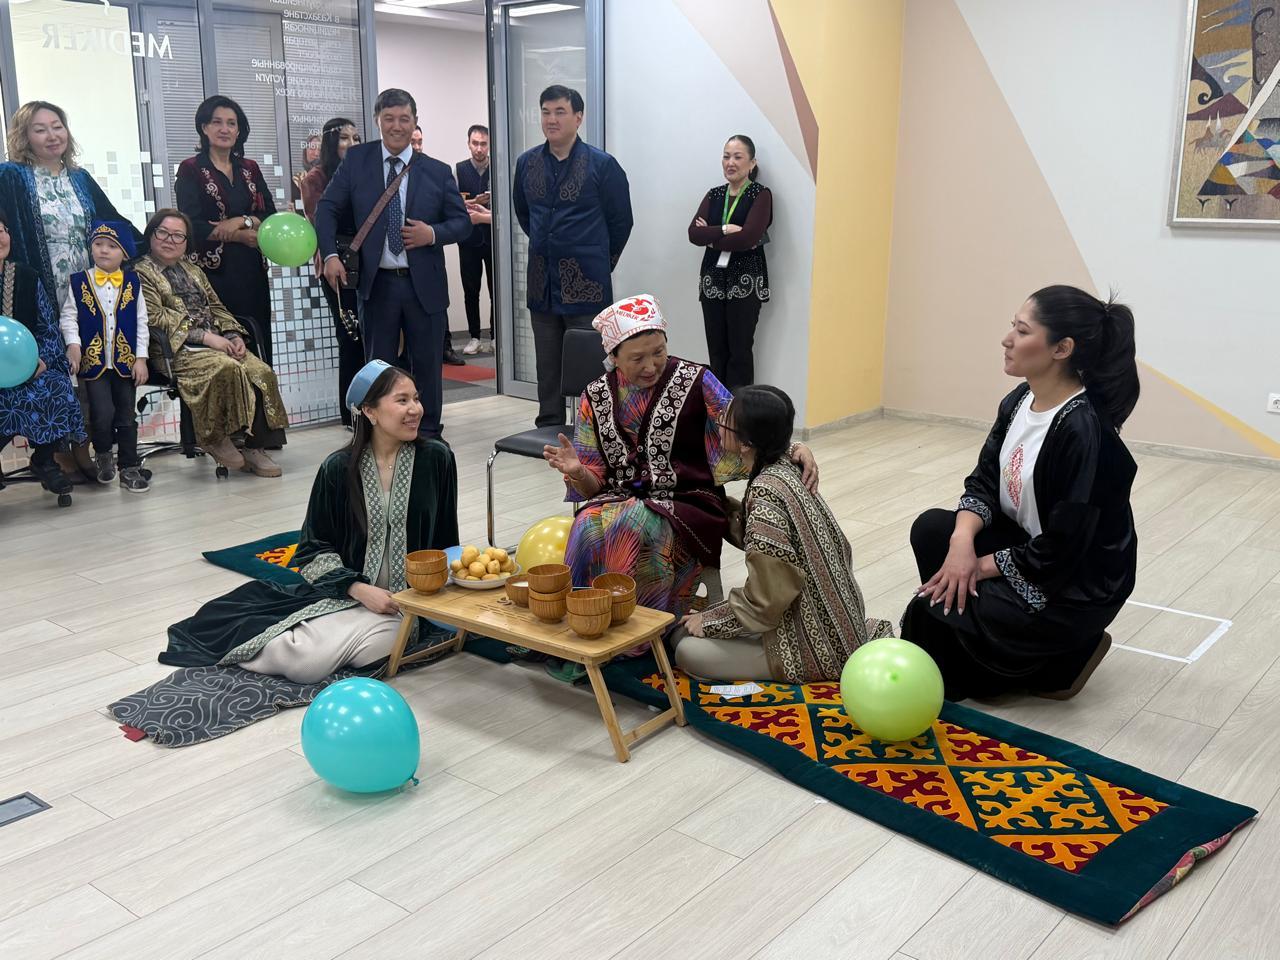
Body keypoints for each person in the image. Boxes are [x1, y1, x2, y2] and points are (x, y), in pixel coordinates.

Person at [901, 285, 1141, 702]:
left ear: (1062, 349)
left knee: (929, 616)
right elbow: (983, 482)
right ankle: (997, 643)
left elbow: (1063, 550)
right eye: (1012, 326)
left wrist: (977, 567)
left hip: (1072, 583)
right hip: (1031, 548)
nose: (1006, 339)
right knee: (933, 530)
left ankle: (1063, 656)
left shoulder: (1085, 432)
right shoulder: (1019, 400)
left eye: (1022, 331)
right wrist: (961, 546)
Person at [158, 361, 460, 682]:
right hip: (345, 595)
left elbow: (446, 540)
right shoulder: (338, 468)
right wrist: (358, 588)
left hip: (404, 606)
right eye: (402, 400)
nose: (415, 409)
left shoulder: (436, 459)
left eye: (416, 398)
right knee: (304, 660)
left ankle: (303, 644)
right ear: (370, 411)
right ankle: (291, 644)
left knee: (375, 648)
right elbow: (312, 549)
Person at [542, 294, 818, 622]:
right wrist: (577, 472)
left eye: (658, 352)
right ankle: (584, 620)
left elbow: (743, 426)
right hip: (620, 499)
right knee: (585, 525)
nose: (650, 366)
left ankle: (643, 630)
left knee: (633, 523)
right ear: (613, 356)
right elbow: (592, 487)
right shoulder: (596, 396)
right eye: (637, 358)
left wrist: (791, 448)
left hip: (689, 501)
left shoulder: (695, 380)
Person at [673, 386, 894, 683]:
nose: (720, 420)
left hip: (815, 646)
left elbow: (766, 600)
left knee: (685, 647)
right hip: (838, 624)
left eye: (727, 419)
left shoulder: (766, 495)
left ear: (746, 443)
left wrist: (709, 621)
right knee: (691, 631)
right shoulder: (788, 464)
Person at [316, 89, 471, 439]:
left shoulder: (436, 170)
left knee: (428, 366)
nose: (396, 126)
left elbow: (461, 223)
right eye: (389, 119)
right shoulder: (357, 160)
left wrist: (432, 234)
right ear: (377, 120)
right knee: (379, 368)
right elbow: (327, 208)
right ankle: (381, 436)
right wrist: (330, 255)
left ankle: (428, 434)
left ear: (415, 122)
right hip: (378, 284)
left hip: (424, 286)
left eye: (404, 119)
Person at [0, 101, 141, 481]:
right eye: (40, 129)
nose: (52, 135)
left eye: (57, 126)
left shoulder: (79, 178)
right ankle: (62, 449)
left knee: (88, 366)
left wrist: (149, 247)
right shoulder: (11, 175)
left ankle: (86, 444)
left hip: (86, 287)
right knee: (60, 363)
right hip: (42, 287)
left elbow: (112, 220)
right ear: (24, 136)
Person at [514, 85, 633, 427]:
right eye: (546, 112)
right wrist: (549, 247)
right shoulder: (527, 163)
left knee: (590, 368)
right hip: (542, 283)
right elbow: (525, 214)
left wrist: (598, 262)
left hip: (587, 285)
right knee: (547, 366)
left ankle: (592, 433)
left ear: (578, 117)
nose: (551, 119)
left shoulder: (602, 165)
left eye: (560, 112)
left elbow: (621, 221)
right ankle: (549, 428)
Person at [136, 209, 288, 476]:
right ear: (151, 235)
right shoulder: (140, 273)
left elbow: (216, 307)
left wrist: (232, 335)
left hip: (216, 340)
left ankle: (254, 447)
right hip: (174, 348)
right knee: (226, 367)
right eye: (163, 233)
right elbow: (156, 317)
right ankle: (216, 437)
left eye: (178, 236)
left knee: (261, 371)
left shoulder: (193, 270)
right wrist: (206, 337)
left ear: (186, 242)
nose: (170, 240)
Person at [175, 96, 277, 365]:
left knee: (257, 342)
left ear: (239, 130)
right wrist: (241, 235)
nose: (224, 129)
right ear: (204, 128)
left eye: (231, 123)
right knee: (223, 349)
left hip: (251, 270)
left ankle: (260, 393)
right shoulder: (191, 169)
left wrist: (241, 221)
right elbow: (191, 224)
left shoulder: (250, 168)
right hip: (212, 274)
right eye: (217, 122)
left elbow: (269, 214)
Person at [58, 221, 151, 493]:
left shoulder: (133, 282)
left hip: (125, 362)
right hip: (94, 363)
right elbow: (68, 317)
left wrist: (141, 358)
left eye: (112, 246)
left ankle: (130, 466)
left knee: (126, 416)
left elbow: (141, 322)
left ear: (124, 253)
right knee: (102, 414)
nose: (104, 250)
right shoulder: (79, 281)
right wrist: (73, 344)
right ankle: (102, 453)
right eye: (98, 244)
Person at [0, 206, 83, 500]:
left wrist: (42, 361)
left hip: (28, 367)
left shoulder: (26, 277)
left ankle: (45, 461)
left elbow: (48, 329)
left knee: (55, 385)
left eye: (1, 230)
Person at [687, 135, 772, 392]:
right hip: (713, 281)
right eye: (726, 156)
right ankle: (717, 409)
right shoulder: (714, 195)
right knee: (716, 350)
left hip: (745, 281)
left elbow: (749, 238)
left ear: (752, 163)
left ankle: (740, 410)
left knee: (740, 351)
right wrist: (725, 229)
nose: (730, 162)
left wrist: (711, 237)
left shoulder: (760, 195)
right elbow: (694, 234)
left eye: (737, 157)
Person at [301, 117, 364, 428]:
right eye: (344, 138)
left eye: (356, 138)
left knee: (371, 336)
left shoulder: (363, 173)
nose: (351, 144)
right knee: (350, 336)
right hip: (337, 262)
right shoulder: (316, 178)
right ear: (330, 142)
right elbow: (321, 222)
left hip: (368, 260)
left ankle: (374, 408)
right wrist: (330, 256)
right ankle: (350, 413)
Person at [455, 124, 492, 356]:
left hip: (493, 239)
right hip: (468, 240)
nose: (479, 148)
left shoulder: (498, 167)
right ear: (468, 144)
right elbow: (451, 203)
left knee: (496, 289)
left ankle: (496, 336)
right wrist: (470, 203)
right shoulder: (459, 170)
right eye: (475, 143)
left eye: (483, 144)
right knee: (471, 290)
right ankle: (474, 337)